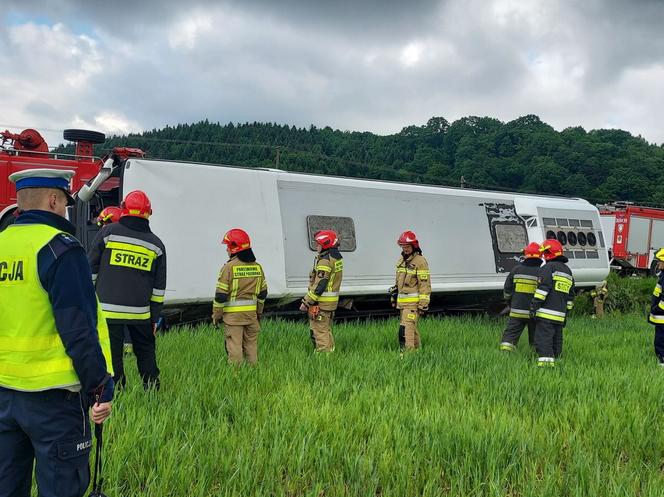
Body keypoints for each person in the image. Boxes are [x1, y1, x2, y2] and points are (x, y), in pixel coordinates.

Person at [0, 169, 113, 497]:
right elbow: (78, 330)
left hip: (4, 394)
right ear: (53, 199)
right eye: (65, 201)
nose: (65, 209)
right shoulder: (60, 249)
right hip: (54, 400)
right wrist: (99, 386)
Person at [88, 190, 166, 389]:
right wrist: (154, 318)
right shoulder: (156, 245)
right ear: (149, 213)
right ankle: (151, 389)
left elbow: (91, 270)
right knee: (146, 351)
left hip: (107, 310)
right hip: (140, 313)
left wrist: (89, 303)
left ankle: (118, 391)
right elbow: (158, 289)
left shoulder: (107, 233)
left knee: (113, 356)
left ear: (123, 209)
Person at [212, 229, 268, 365]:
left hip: (233, 318)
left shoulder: (228, 268)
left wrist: (216, 316)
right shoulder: (257, 267)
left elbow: (220, 296)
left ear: (234, 248)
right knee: (251, 346)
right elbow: (263, 293)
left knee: (234, 346)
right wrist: (259, 312)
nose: (226, 250)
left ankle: (236, 376)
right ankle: (252, 372)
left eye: (227, 247)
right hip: (251, 316)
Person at [530, 239, 574, 367]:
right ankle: (558, 363)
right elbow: (571, 296)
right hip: (560, 316)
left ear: (548, 253)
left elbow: (542, 290)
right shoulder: (567, 271)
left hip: (545, 315)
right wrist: (565, 313)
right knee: (557, 340)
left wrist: (534, 306)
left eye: (544, 253)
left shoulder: (547, 268)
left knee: (543, 340)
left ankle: (546, 367)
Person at [299, 230, 344, 352]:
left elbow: (320, 284)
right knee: (326, 331)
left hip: (321, 303)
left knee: (319, 332)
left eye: (318, 243)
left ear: (325, 244)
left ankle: (323, 360)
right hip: (330, 304)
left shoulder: (325, 261)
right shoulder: (336, 258)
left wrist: (306, 302)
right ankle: (330, 357)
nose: (316, 246)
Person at [390, 230, 431, 351]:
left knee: (406, 330)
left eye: (407, 246)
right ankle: (418, 353)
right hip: (403, 303)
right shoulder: (402, 260)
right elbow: (398, 283)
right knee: (411, 328)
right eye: (403, 246)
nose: (405, 249)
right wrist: (394, 296)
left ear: (414, 246)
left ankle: (408, 355)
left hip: (413, 304)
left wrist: (423, 305)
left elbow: (425, 284)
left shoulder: (420, 261)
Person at [499, 242, 542, 351]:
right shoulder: (542, 272)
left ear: (525, 255)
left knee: (509, 337)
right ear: (541, 256)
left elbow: (507, 290)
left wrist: (509, 303)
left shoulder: (516, 270)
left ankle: (505, 355)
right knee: (536, 338)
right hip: (535, 313)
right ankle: (533, 356)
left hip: (516, 311)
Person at [647, 248, 664, 367]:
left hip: (662, 315)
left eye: (659, 261)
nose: (657, 263)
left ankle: (662, 360)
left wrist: (657, 308)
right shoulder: (663, 275)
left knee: (661, 339)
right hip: (660, 314)